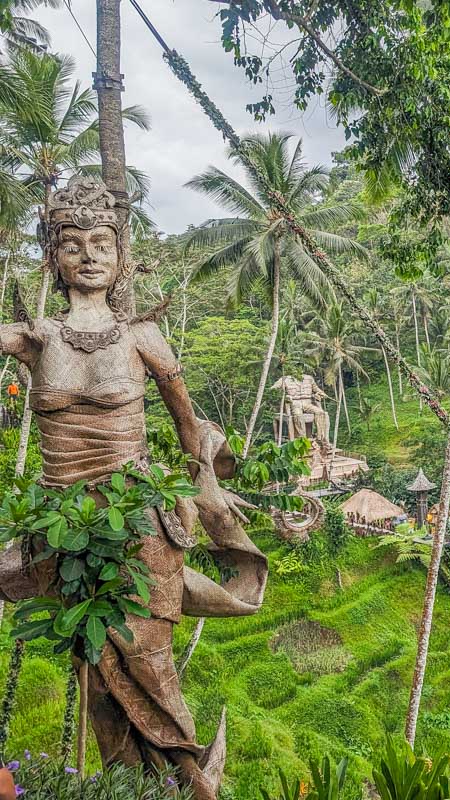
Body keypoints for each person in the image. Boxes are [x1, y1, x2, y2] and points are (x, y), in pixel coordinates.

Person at [0, 176, 266, 800]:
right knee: (95, 669)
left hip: (137, 518)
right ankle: (128, 787)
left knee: (147, 657)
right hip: (62, 522)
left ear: (120, 256)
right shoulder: (36, 338)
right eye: (72, 243)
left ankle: (191, 778)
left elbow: (190, 429)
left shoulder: (143, 338)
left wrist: (217, 478)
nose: (88, 254)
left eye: (101, 243)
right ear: (53, 257)